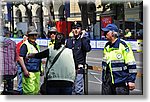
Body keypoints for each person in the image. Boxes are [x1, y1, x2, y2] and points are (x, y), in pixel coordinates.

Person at [101, 23, 137, 95]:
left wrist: (131, 80)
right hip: (107, 82)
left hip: (120, 82)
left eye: (107, 32)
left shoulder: (123, 45)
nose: (104, 34)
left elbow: (131, 64)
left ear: (113, 33)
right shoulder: (107, 46)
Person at [66, 23, 91, 95]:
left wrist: (83, 38)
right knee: (71, 89)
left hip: (79, 68)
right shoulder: (69, 41)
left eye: (78, 28)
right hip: (70, 68)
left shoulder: (83, 40)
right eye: (74, 28)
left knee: (78, 89)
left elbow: (87, 49)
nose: (76, 30)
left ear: (81, 30)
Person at [19, 28, 42, 95]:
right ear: (28, 36)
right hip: (29, 72)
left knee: (36, 90)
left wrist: (41, 69)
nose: (34, 37)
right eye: (32, 35)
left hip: (36, 72)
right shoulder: (25, 45)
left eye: (35, 35)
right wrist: (25, 70)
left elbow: (39, 58)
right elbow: (20, 58)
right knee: (29, 92)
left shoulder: (36, 45)